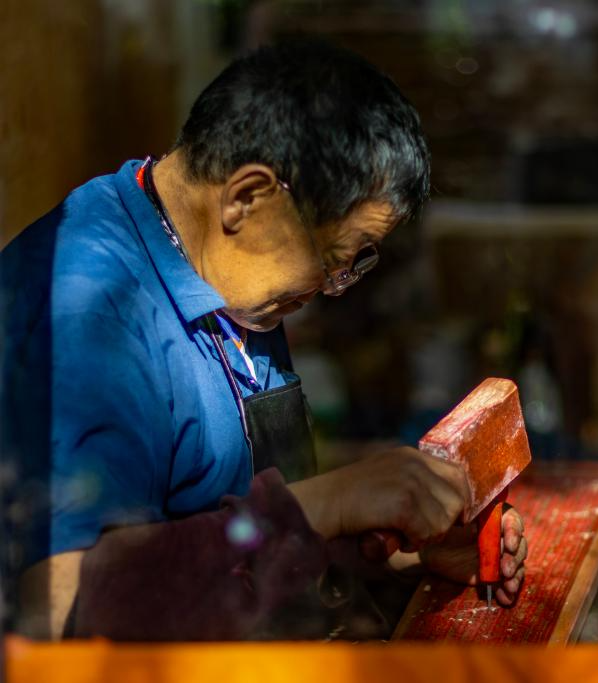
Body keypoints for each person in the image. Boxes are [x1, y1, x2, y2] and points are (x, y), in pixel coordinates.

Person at [0, 41, 527, 640]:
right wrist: (327, 503)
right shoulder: (85, 313)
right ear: (247, 198)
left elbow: (229, 535)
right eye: (332, 259)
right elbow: (61, 607)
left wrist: (399, 552)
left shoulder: (230, 277)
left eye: (354, 265)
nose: (331, 288)